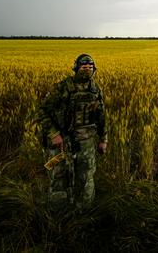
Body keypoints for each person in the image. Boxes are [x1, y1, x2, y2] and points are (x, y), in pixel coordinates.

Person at [38, 54, 107, 210]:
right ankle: (58, 212)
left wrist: (104, 139)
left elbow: (102, 117)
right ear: (76, 68)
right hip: (62, 141)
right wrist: (54, 134)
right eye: (84, 67)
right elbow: (42, 111)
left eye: (90, 68)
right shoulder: (62, 87)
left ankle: (84, 211)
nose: (87, 70)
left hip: (86, 143)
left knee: (86, 176)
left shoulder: (95, 90)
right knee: (58, 176)